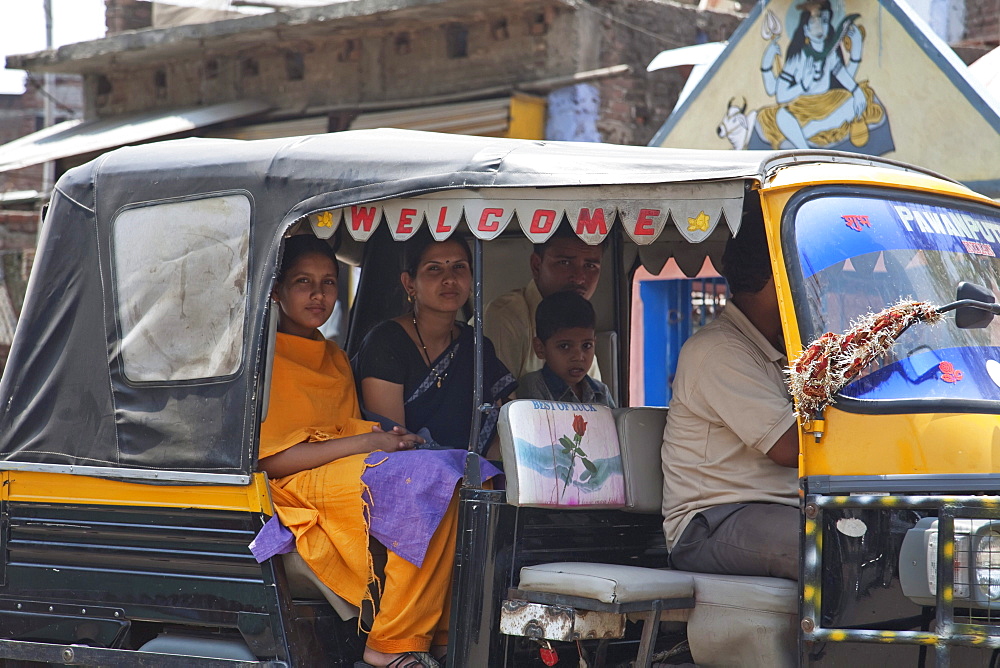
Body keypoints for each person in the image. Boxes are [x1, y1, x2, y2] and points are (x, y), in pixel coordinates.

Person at [259, 234, 452, 668]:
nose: (318, 294)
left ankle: (437, 630)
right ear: (276, 291)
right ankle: (390, 644)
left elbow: (340, 429)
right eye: (303, 282)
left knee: (450, 472)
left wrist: (389, 438)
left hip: (338, 473)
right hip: (292, 487)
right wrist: (369, 443)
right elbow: (271, 460)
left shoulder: (335, 357)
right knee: (414, 481)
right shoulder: (262, 358)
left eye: (329, 282)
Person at [660, 220, 799, 581]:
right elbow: (789, 447)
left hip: (782, 509)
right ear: (776, 279)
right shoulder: (719, 350)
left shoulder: (781, 347)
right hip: (711, 522)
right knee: (822, 545)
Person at [353, 231, 517, 456]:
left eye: (459, 267)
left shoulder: (476, 345)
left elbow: (510, 424)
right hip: (408, 476)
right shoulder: (386, 343)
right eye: (434, 268)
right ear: (409, 283)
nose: (449, 279)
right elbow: (393, 443)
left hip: (473, 479)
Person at [483, 224, 604, 383]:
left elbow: (596, 403)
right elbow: (498, 402)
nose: (580, 278)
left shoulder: (582, 332)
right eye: (565, 263)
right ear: (536, 266)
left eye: (590, 266)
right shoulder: (505, 317)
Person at [517, 290, 615, 407]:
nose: (578, 357)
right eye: (564, 346)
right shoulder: (533, 386)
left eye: (586, 346)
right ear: (540, 348)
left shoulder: (601, 392)